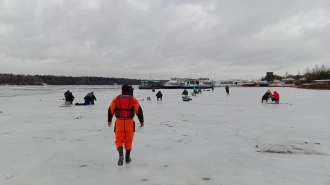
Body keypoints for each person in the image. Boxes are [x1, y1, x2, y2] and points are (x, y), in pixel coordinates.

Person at [108, 84, 144, 166]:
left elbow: (110, 110)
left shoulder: (116, 99)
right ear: (129, 90)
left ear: (121, 90)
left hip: (119, 122)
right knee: (128, 140)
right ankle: (127, 158)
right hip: (129, 123)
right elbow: (139, 110)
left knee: (119, 140)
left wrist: (109, 121)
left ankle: (121, 155)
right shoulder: (133, 99)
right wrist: (141, 121)